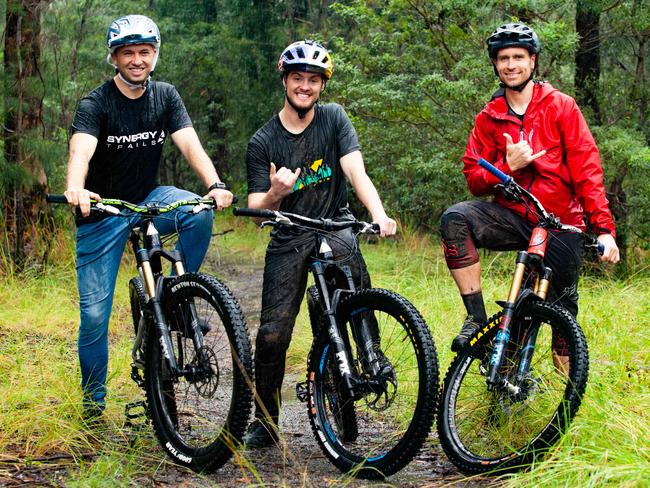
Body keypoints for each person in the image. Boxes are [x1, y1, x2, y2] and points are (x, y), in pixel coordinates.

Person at [64, 15, 233, 417]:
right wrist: (76, 187)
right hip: (101, 212)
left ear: (154, 55)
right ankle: (93, 406)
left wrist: (214, 184)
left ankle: (177, 293)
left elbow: (189, 144)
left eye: (144, 52)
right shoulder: (96, 103)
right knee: (92, 316)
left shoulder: (166, 96)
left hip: (147, 202)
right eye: (128, 53)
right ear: (115, 58)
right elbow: (80, 151)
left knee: (196, 211)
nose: (137, 60)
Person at [243, 40, 397, 448]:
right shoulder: (263, 141)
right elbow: (256, 210)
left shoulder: (334, 119)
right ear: (285, 80)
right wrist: (276, 192)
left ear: (322, 86)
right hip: (289, 234)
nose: (305, 86)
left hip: (334, 224)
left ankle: (369, 356)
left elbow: (356, 171)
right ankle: (266, 418)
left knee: (356, 293)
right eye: (298, 78)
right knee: (272, 334)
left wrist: (378, 214)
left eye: (313, 80)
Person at [440, 23, 620, 353]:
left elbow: (587, 169)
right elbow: (473, 178)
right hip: (513, 217)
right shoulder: (488, 118)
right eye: (503, 58)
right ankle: (477, 320)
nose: (511, 65)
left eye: (518, 57)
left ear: (532, 61)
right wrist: (508, 168)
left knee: (562, 315)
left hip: (560, 222)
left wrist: (604, 229)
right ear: (495, 64)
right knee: (455, 219)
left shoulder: (561, 106)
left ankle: (565, 395)